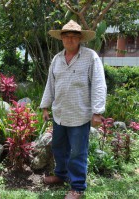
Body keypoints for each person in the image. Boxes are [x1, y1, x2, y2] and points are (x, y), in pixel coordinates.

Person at [40, 20, 107, 199]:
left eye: (74, 36)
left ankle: (77, 187)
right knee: (58, 146)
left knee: (78, 152)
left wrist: (97, 111)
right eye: (66, 36)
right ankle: (61, 175)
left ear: (80, 39)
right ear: (61, 38)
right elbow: (50, 84)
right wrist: (45, 106)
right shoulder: (57, 59)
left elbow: (99, 84)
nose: (70, 39)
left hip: (79, 115)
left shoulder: (90, 57)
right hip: (60, 113)